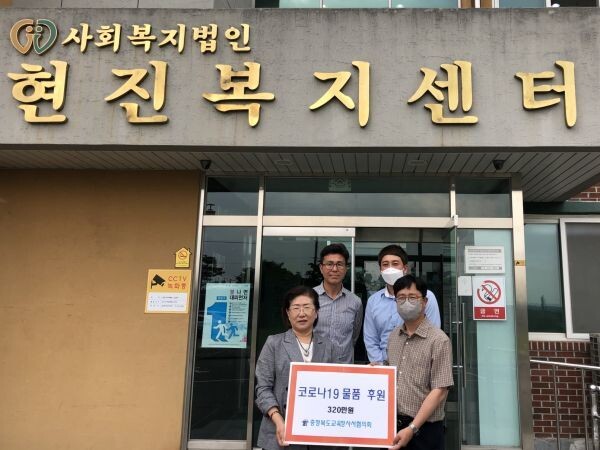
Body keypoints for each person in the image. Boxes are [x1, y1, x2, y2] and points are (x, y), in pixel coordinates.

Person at [255, 286, 335, 450]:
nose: (302, 313)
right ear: (288, 313)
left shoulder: (327, 345)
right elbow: (263, 388)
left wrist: (369, 373)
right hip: (279, 431)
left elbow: (337, 384)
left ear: (316, 312)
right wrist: (278, 419)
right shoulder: (274, 343)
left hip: (317, 433)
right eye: (296, 308)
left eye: (307, 307)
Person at [387, 275, 453, 450]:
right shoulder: (394, 336)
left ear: (424, 302)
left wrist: (412, 428)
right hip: (393, 425)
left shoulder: (438, 340)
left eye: (412, 297)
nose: (406, 302)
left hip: (424, 431)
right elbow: (390, 375)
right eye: (401, 298)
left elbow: (440, 390)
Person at [363, 244, 441, 365]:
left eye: (395, 264)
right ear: (380, 270)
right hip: (384, 366)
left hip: (417, 364)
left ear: (405, 268)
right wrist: (380, 365)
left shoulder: (426, 297)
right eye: (385, 264)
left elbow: (434, 333)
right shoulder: (373, 301)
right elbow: (370, 338)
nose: (390, 268)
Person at [313, 243, 363, 363]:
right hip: (314, 366)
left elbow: (354, 336)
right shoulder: (309, 298)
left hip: (343, 368)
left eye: (339, 264)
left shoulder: (355, 302)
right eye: (329, 264)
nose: (334, 269)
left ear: (346, 268)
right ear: (321, 268)